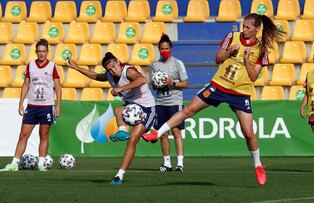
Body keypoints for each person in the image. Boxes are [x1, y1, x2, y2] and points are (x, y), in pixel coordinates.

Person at [143, 13, 285, 186]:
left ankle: (257, 165)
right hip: (218, 85)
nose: (244, 30)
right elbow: (217, 59)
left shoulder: (261, 49)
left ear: (257, 29)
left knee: (248, 133)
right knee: (189, 110)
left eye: (248, 27)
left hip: (240, 92)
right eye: (243, 26)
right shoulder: (232, 37)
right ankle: (156, 133)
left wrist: (247, 60)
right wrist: (230, 52)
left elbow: (254, 76)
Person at [66, 52, 156, 184]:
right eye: (110, 69)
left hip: (147, 108)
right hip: (132, 106)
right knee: (118, 110)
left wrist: (120, 88)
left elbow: (142, 80)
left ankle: (120, 174)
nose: (113, 70)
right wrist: (77, 68)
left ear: (118, 63)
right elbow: (96, 76)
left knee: (133, 140)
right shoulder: (110, 75)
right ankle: (123, 131)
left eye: (114, 66)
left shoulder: (128, 71)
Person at [0, 39, 61, 172]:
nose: (41, 54)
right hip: (32, 106)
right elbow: (26, 84)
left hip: (46, 106)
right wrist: (21, 103)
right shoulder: (31, 65)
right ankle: (14, 163)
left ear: (47, 52)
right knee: (23, 135)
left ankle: (41, 163)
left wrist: (58, 105)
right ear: (36, 52)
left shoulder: (52, 66)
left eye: (44, 51)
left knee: (44, 135)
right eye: (39, 51)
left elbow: (57, 86)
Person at [151, 34, 189, 172]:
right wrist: (157, 84)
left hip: (175, 101)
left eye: (167, 48)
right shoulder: (155, 65)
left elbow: (186, 84)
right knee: (163, 134)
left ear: (171, 49)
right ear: (158, 49)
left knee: (176, 131)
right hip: (160, 102)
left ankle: (180, 163)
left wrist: (171, 83)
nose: (164, 51)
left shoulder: (177, 63)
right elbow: (153, 86)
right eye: (162, 48)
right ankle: (167, 163)